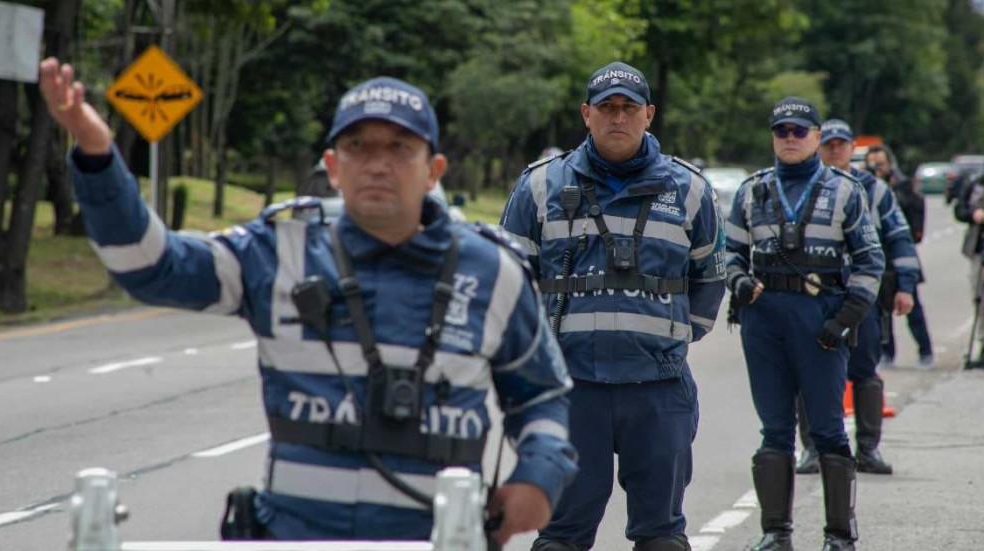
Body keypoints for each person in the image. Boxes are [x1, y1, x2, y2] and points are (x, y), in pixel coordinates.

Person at [38, 58, 578, 544]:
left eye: (399, 147)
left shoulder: (492, 271)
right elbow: (149, 267)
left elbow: (542, 396)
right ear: (333, 166)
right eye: (358, 147)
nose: (378, 163)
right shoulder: (277, 252)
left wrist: (538, 478)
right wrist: (96, 155)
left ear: (434, 169)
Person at [501, 61, 726, 551]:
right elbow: (508, 287)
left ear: (649, 114)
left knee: (662, 536)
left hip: (659, 390)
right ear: (586, 114)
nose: (617, 118)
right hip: (571, 389)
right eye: (606, 108)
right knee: (560, 535)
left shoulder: (690, 190)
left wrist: (666, 338)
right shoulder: (539, 187)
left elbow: (710, 279)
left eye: (628, 108)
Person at [725, 98, 884, 551]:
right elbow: (728, 254)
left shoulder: (845, 191)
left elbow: (871, 261)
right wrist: (737, 282)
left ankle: (839, 535)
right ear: (773, 137)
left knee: (828, 429)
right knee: (773, 429)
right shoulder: (750, 191)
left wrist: (847, 318)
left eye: (799, 131)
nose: (790, 139)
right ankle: (776, 533)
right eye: (782, 132)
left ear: (816, 136)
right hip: (764, 320)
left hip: (822, 321)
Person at [793, 119, 920, 476]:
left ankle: (867, 448)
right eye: (828, 144)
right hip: (815, 295)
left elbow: (898, 238)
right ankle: (813, 450)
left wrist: (906, 286)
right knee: (809, 373)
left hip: (861, 296)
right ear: (819, 146)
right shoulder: (804, 187)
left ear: (852, 148)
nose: (834, 150)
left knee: (865, 371)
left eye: (841, 144)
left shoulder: (874, 189)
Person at [865, 145, 934, 368]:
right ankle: (887, 353)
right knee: (881, 310)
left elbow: (913, 215)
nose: (877, 168)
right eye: (872, 164)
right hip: (879, 258)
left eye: (881, 164)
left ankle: (926, 351)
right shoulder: (865, 188)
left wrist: (892, 190)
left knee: (911, 307)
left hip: (900, 255)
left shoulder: (903, 186)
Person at [953, 170, 984, 366]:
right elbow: (959, 210)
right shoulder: (975, 182)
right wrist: (974, 214)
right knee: (980, 298)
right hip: (978, 249)